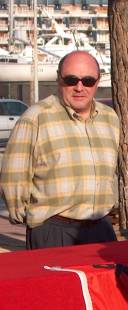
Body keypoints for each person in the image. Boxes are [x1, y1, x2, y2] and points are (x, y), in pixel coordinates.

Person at [0, 51, 120, 249]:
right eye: (71, 80)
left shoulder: (110, 118)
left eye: (88, 81)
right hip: (53, 232)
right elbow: (14, 179)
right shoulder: (36, 117)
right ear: (59, 79)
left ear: (97, 82)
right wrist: (36, 222)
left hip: (101, 230)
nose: (79, 87)